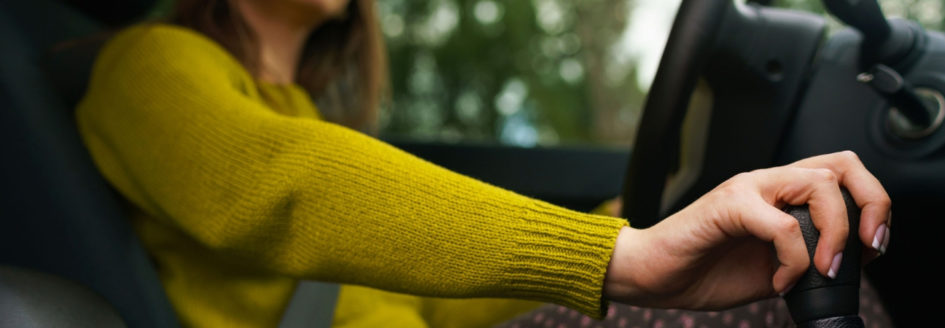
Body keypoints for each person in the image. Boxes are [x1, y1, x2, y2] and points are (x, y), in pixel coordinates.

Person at [74, 0, 893, 327]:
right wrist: (621, 258)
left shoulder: (298, 112)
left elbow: (423, 309)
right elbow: (273, 180)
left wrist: (616, 226)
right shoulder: (151, 62)